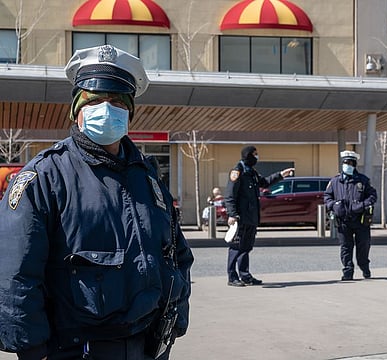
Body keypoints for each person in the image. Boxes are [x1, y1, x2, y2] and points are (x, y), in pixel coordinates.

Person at [0, 45, 194, 360]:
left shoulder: (147, 177)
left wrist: (176, 317)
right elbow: (15, 273)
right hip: (77, 349)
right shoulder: (45, 176)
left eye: (117, 101)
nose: (106, 108)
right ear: (76, 109)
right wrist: (33, 350)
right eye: (94, 101)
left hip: (148, 344)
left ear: (130, 112)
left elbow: (177, 254)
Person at [224, 145, 294, 287]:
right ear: (248, 155)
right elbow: (230, 195)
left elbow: (264, 183)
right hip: (240, 217)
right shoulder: (238, 172)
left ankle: (245, 276)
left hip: (251, 217)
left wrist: (281, 175)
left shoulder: (252, 172)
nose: (257, 157)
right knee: (236, 247)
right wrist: (232, 214)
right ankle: (232, 277)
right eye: (255, 154)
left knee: (246, 247)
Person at [324, 150, 377, 281]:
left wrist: (363, 205)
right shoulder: (335, 181)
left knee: (363, 245)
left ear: (354, 165)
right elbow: (327, 196)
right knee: (346, 247)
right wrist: (334, 205)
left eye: (349, 163)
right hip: (343, 220)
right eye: (345, 162)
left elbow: (372, 196)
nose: (347, 165)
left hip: (360, 220)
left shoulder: (363, 180)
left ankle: (364, 267)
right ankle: (348, 272)